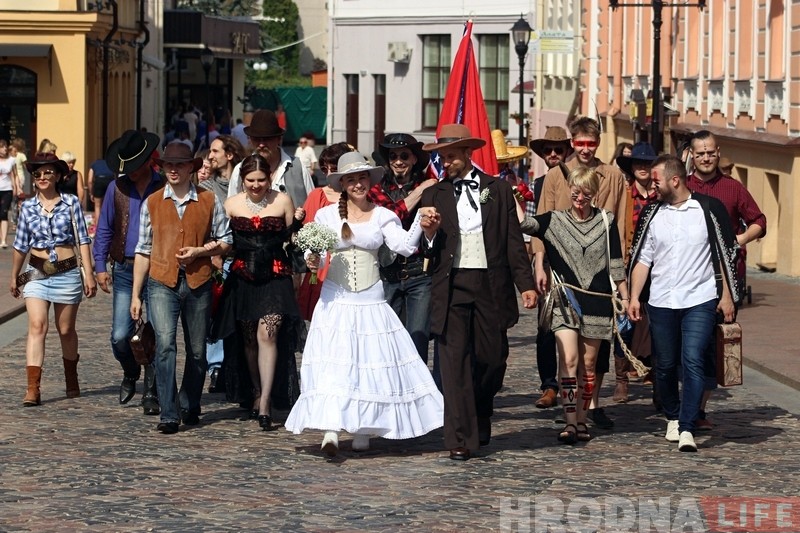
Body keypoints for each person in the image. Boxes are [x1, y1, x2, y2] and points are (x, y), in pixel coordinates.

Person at [285, 152, 445, 457]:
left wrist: (422, 224)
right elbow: (317, 255)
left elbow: (404, 247)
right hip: (336, 298)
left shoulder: (383, 215)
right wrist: (312, 258)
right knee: (336, 362)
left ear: (370, 181)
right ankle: (331, 428)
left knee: (368, 362)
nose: (358, 184)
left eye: (362, 178)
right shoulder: (327, 216)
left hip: (371, 298)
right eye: (351, 180)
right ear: (342, 184)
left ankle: (362, 429)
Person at [419, 124, 536, 460]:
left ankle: (481, 412)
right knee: (454, 364)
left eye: (451, 157)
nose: (446, 163)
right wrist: (429, 233)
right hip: (451, 286)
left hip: (490, 285)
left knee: (491, 359)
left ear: (468, 153)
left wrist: (526, 284)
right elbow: (425, 249)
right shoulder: (433, 194)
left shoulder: (497, 190)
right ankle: (459, 438)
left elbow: (513, 241)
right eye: (442, 158)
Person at [628, 155, 738, 452]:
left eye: (656, 180)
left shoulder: (708, 209)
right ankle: (673, 416)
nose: (652, 185)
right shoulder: (652, 213)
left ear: (674, 180)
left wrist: (727, 295)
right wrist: (634, 296)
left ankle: (688, 426)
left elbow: (724, 254)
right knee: (664, 365)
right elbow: (642, 258)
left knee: (693, 359)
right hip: (661, 300)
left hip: (700, 298)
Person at [520, 167, 629, 444]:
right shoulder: (554, 220)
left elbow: (616, 263)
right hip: (564, 301)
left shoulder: (606, 220)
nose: (580, 198)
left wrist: (626, 298)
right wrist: (511, 196)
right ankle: (570, 421)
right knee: (569, 359)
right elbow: (525, 225)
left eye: (586, 194)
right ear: (569, 190)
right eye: (576, 192)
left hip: (598, 301)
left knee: (589, 365)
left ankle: (582, 418)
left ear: (595, 194)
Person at [129, 143, 232, 434]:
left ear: (191, 168)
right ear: (162, 168)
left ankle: (189, 402)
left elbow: (226, 240)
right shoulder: (152, 202)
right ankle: (169, 413)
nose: (173, 170)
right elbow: (143, 250)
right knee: (165, 346)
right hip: (162, 282)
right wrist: (136, 294)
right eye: (168, 165)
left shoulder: (209, 200)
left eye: (179, 165)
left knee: (197, 351)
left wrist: (200, 251)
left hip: (199, 282)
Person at [210, 154, 305, 431]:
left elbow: (293, 242)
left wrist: (300, 231)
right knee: (249, 340)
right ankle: (255, 390)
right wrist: (213, 259)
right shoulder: (230, 204)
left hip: (276, 277)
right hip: (243, 279)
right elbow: (223, 242)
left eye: (261, 180)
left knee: (268, 335)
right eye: (250, 180)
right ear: (242, 179)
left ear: (270, 178)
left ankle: (265, 402)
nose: (256, 185)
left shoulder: (283, 201)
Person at [686, 130, 766, 430]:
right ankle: (680, 403)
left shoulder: (733, 188)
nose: (706, 158)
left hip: (725, 281)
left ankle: (698, 409)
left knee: (711, 344)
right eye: (700, 153)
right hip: (687, 276)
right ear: (692, 155)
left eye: (710, 152)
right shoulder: (683, 186)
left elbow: (759, 221)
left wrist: (739, 239)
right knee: (687, 344)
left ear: (718, 152)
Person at [9, 152, 97, 405]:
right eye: (37, 173)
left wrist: (89, 274)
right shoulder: (27, 207)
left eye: (48, 172)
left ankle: (71, 376)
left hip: (67, 273)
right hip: (37, 273)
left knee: (65, 329)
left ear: (58, 176)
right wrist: (15, 276)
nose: (42, 177)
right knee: (37, 326)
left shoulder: (70, 203)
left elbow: (82, 240)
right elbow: (20, 245)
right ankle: (33, 388)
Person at [93, 129, 164, 415]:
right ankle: (131, 370)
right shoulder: (117, 188)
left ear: (148, 161)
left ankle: (152, 391)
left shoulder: (162, 186)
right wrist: (100, 266)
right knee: (120, 335)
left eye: (135, 166)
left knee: (156, 333)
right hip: (124, 268)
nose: (130, 172)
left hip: (158, 268)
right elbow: (104, 228)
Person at [369, 133, 437, 367]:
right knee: (385, 340)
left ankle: (417, 387)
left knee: (417, 339)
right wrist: (418, 193)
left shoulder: (430, 187)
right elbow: (390, 215)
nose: (398, 161)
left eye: (404, 156)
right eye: (393, 156)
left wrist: (425, 189)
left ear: (414, 159)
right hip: (387, 273)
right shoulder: (376, 189)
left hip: (420, 273)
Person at [527, 126, 573, 409]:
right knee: (545, 327)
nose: (553, 154)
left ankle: (574, 386)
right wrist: (537, 263)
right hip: (547, 260)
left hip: (577, 262)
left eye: (558, 149)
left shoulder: (578, 177)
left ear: (567, 151)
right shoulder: (539, 184)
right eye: (548, 150)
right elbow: (535, 226)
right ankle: (549, 385)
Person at [613, 142, 659, 402]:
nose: (642, 167)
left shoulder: (661, 195)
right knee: (624, 324)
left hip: (658, 269)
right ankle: (621, 380)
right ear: (631, 167)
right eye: (638, 163)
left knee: (656, 324)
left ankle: (655, 376)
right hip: (628, 267)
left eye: (647, 163)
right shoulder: (625, 195)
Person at [201, 135, 246, 392]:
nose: (210, 156)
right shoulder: (207, 187)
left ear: (229, 155)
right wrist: (213, 254)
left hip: (243, 257)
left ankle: (236, 367)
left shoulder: (245, 184)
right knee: (216, 314)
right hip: (218, 260)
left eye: (215, 151)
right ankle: (216, 368)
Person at [296, 142, 354, 320]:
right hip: (323, 264)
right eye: (324, 169)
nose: (328, 174)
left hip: (351, 261)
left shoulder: (357, 194)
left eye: (334, 169)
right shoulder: (317, 195)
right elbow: (308, 232)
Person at [227, 109, 314, 210]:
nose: (261, 144)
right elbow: (231, 208)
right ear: (250, 139)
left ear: (278, 139)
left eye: (267, 139)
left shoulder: (298, 167)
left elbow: (313, 206)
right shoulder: (240, 169)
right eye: (257, 139)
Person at [0, 139, 20, 248]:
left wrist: (17, 187)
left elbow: (15, 174)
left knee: (3, 214)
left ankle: (3, 240)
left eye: (5, 146)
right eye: (2, 147)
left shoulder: (11, 160)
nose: (5, 149)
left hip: (7, 189)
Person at [87, 157, 115, 235]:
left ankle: (98, 229)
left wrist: (91, 193)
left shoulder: (94, 164)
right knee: (110, 206)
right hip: (110, 181)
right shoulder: (110, 163)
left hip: (99, 181)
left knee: (97, 206)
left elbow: (89, 181)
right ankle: (110, 226)